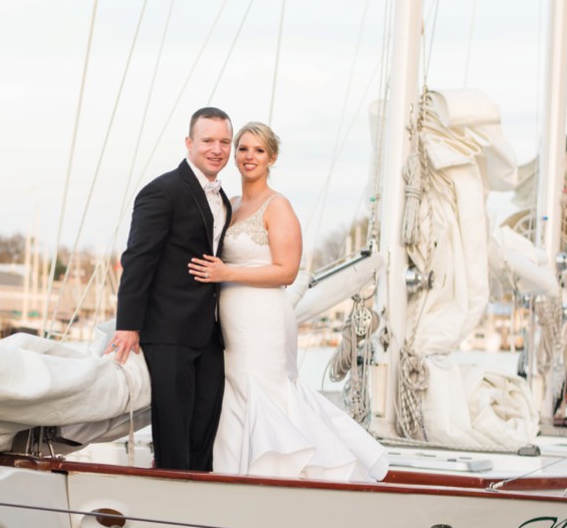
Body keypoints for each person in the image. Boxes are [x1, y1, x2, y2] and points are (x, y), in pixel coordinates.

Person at [188, 122, 387, 482]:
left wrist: (225, 274)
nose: (250, 157)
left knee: (265, 389)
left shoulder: (278, 206)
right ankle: (234, 473)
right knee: (235, 391)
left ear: (272, 158)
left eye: (259, 151)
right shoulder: (229, 204)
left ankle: (286, 472)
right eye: (244, 149)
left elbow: (286, 272)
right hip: (231, 320)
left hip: (264, 318)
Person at [107, 107, 234, 471]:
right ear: (189, 143)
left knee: (204, 425)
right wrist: (128, 324)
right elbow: (138, 259)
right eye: (208, 140)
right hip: (167, 331)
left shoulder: (222, 199)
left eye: (224, 141)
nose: (217, 149)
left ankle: (199, 502)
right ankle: (171, 503)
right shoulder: (161, 191)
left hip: (209, 332)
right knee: (174, 429)